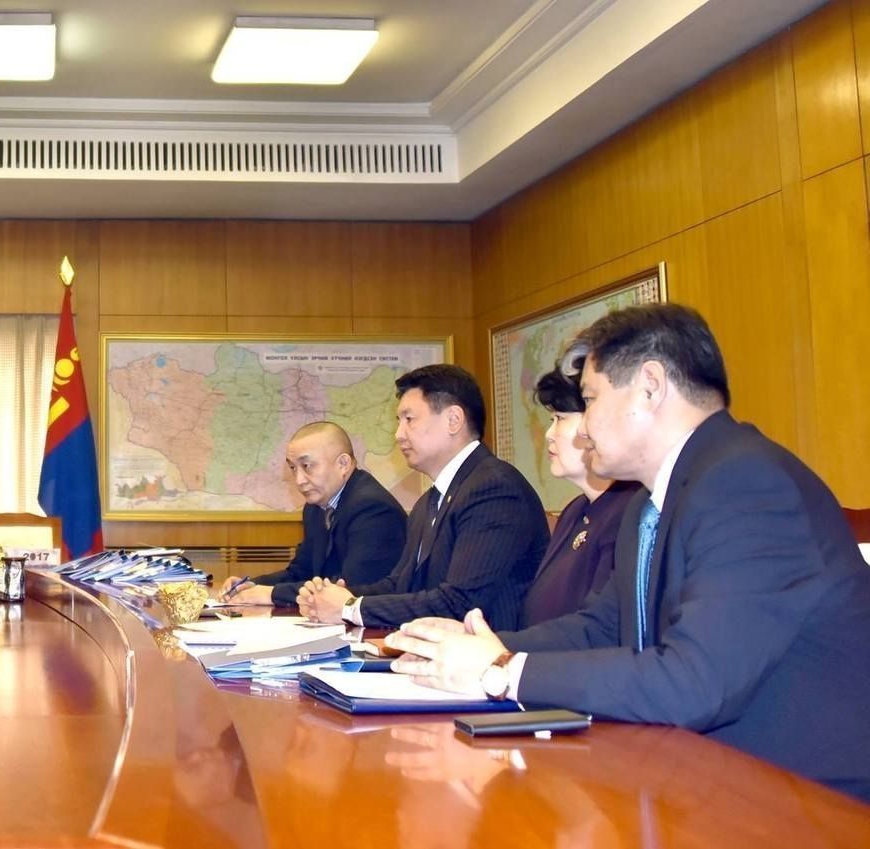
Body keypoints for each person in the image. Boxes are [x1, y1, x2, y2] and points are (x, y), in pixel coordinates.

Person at [386, 304, 870, 802]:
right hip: (699, 779)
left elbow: (693, 683)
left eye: (590, 399)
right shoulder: (651, 500)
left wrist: (502, 672)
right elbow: (600, 628)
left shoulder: (745, 484)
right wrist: (478, 647)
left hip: (805, 800)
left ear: (650, 387)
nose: (582, 427)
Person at [297, 364, 548, 630]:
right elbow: (401, 585)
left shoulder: (494, 490)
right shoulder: (429, 501)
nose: (398, 435)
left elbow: (460, 603)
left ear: (453, 420)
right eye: (399, 421)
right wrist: (336, 598)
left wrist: (351, 608)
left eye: (409, 419)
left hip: (490, 650)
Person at [218, 421, 405, 607]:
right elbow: (301, 572)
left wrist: (271, 594)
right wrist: (252, 585)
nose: (299, 480)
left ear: (343, 464)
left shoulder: (373, 508)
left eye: (307, 466)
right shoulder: (315, 508)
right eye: (293, 468)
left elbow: (350, 589)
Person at [519, 366, 641, 627]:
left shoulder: (630, 512)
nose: (549, 434)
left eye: (560, 418)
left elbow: (601, 627)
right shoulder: (574, 510)